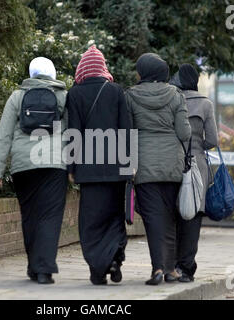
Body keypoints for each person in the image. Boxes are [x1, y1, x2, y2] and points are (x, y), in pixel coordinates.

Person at [0, 57, 68, 285]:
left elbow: (3, 135)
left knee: (30, 215)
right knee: (50, 217)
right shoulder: (63, 96)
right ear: (53, 73)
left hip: (23, 166)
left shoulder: (17, 96)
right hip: (55, 164)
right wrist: (75, 166)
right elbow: (74, 132)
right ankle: (44, 269)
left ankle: (34, 265)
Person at [66, 45, 131, 285]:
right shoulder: (116, 91)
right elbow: (126, 129)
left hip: (88, 170)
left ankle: (97, 268)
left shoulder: (75, 94)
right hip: (115, 169)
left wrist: (71, 168)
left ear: (82, 67)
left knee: (91, 221)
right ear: (103, 67)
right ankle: (114, 258)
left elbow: (73, 133)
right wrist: (129, 163)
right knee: (115, 217)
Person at [125, 53, 191, 285]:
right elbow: (184, 133)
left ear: (143, 72)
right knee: (171, 217)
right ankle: (172, 270)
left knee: (153, 218)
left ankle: (157, 268)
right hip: (172, 163)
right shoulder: (176, 95)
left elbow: (128, 131)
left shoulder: (130, 96)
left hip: (144, 164)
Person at [170, 63, 218, 282]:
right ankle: (186, 268)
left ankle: (171, 265)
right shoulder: (205, 104)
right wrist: (197, 144)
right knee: (193, 216)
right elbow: (213, 140)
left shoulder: (171, 100)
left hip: (171, 162)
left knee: (174, 214)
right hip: (196, 163)